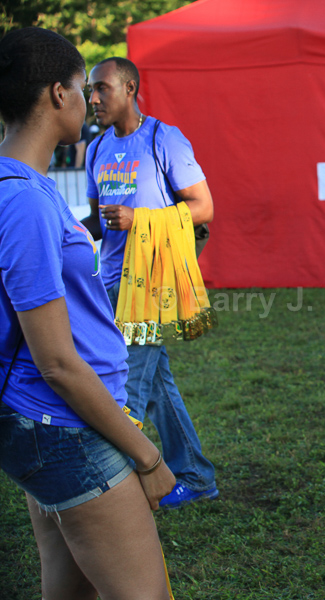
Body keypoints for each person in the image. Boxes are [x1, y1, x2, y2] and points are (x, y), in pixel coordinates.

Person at [0, 27, 176, 598]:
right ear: (59, 93)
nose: (89, 100)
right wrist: (146, 457)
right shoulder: (24, 199)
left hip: (50, 420)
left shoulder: (27, 185)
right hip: (65, 425)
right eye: (83, 87)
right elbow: (56, 361)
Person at [84, 57, 218, 508]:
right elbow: (99, 221)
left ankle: (118, 492)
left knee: (127, 386)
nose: (93, 98)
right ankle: (195, 475)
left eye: (102, 88)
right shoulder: (96, 149)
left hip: (151, 285)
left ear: (130, 88)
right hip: (108, 283)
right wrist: (65, 231)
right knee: (157, 384)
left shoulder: (164, 139)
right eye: (89, 90)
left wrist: (138, 218)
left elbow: (203, 207)